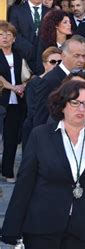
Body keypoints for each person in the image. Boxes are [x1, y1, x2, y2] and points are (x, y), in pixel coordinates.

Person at [1, 80, 85, 249]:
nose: (81, 109)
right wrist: (12, 228)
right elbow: (24, 184)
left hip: (83, 231)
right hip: (42, 228)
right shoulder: (40, 136)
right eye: (75, 103)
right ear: (62, 105)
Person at [33, 36, 85, 127]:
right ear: (63, 56)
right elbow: (41, 116)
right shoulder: (49, 80)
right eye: (77, 56)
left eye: (83, 56)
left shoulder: (83, 77)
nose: (81, 60)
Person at [0, 21, 28, 183]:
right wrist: (14, 87)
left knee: (11, 139)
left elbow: (27, 74)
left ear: (14, 38)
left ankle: (8, 172)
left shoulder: (18, 55)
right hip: (2, 100)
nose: (4, 37)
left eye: (8, 34)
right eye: (1, 34)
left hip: (16, 102)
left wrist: (22, 86)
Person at [22, 46, 62, 146]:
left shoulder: (63, 81)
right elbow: (32, 110)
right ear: (45, 64)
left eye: (59, 62)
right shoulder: (34, 83)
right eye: (53, 62)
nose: (56, 65)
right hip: (34, 127)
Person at [8, 0, 49, 69]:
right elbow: (14, 33)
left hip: (45, 57)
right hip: (23, 56)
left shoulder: (50, 12)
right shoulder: (16, 10)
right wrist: (30, 51)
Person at [36, 9, 72, 73]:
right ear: (56, 25)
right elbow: (39, 66)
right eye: (65, 22)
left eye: (69, 22)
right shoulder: (44, 43)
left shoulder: (72, 42)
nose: (69, 25)